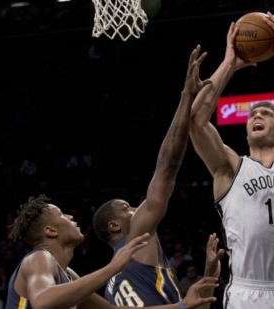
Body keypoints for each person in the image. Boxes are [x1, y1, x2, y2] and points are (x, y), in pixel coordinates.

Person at [189, 11, 274, 309]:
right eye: (252, 115)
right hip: (247, 292)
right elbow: (195, 121)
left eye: (266, 113)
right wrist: (229, 65)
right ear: (247, 133)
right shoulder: (230, 167)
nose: (256, 115)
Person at [93, 45, 224, 306]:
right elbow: (168, 165)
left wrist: (208, 275)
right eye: (127, 208)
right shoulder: (136, 238)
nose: (136, 208)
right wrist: (186, 96)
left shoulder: (111, 284)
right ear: (115, 226)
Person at [5, 194, 220, 309]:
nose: (70, 217)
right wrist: (112, 267)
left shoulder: (69, 278)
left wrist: (181, 306)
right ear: (50, 231)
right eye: (62, 214)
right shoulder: (39, 258)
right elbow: (43, 301)